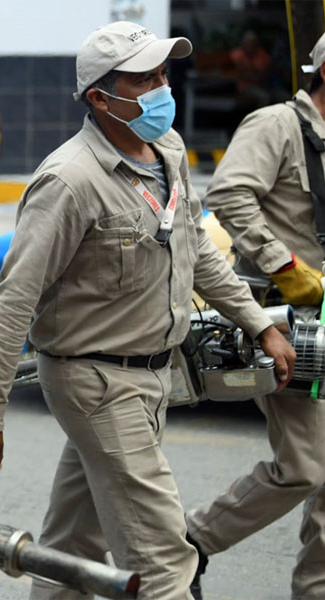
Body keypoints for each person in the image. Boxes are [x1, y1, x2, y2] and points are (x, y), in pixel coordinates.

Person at [0, 21, 296, 600]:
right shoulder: (70, 181)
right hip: (95, 382)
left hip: (150, 378)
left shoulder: (167, 152)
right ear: (99, 97)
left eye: (163, 74)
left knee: (74, 544)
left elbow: (198, 253)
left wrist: (257, 322)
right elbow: (13, 300)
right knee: (165, 562)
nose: (162, 88)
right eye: (144, 79)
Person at [185, 31, 325, 600]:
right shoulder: (276, 126)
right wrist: (286, 267)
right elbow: (231, 193)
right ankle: (190, 541)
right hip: (292, 322)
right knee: (305, 467)